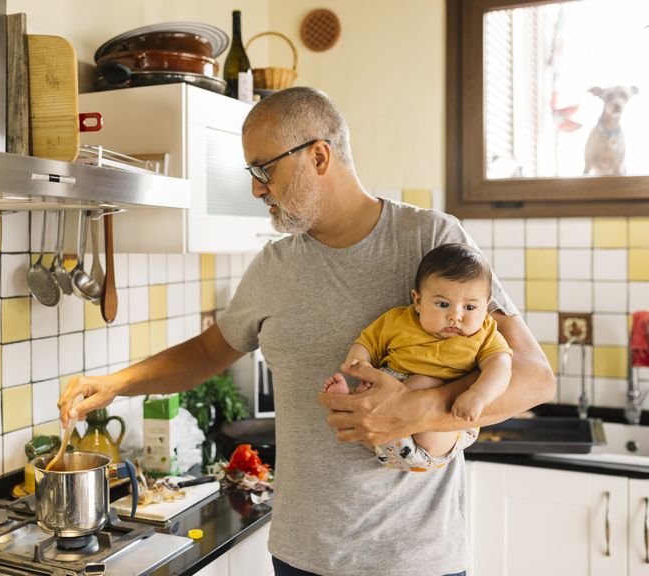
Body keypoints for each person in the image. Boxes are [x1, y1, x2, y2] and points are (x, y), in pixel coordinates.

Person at [58, 87, 556, 576]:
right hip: (300, 556)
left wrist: (414, 409)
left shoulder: (430, 238)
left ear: (319, 156)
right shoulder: (273, 264)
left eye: (264, 169)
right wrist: (117, 383)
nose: (256, 188)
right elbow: (211, 348)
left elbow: (534, 378)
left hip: (413, 562)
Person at [323, 243, 513, 472]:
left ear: (487, 305)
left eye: (470, 307)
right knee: (367, 395)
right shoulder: (398, 320)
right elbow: (367, 342)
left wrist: (478, 395)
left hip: (437, 436)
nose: (455, 316)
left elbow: (501, 365)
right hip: (382, 433)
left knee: (425, 383)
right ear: (418, 301)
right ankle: (348, 401)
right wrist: (359, 362)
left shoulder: (485, 333)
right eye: (443, 304)